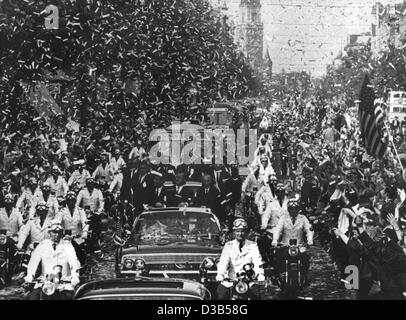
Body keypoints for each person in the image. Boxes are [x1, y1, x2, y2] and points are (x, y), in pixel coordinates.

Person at [23, 220, 80, 300]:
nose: (57, 235)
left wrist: (75, 277)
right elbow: (33, 262)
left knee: (69, 296)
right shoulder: (43, 245)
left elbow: (73, 262)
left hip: (63, 282)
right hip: (45, 282)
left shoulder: (67, 246)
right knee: (33, 297)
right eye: (54, 232)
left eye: (59, 232)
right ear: (49, 232)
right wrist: (30, 276)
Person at [216, 218, 265, 300]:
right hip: (231, 280)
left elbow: (257, 261)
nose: (240, 234)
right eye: (238, 231)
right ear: (234, 232)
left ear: (246, 232)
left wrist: (260, 274)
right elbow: (223, 261)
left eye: (242, 231)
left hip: (248, 280)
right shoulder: (228, 245)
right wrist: (220, 274)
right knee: (220, 293)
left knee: (257, 294)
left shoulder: (253, 245)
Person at [272, 199, 313, 282]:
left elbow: (309, 229)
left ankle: (304, 276)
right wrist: (275, 240)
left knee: (305, 260)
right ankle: (278, 277)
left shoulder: (303, 218)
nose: (293, 211)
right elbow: (278, 229)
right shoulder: (283, 218)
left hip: (299, 246)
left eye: (295, 209)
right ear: (288, 209)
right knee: (277, 258)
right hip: (285, 245)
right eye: (291, 209)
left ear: (298, 209)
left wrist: (310, 239)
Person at [56, 191, 89, 265]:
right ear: (66, 201)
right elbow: (57, 221)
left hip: (77, 238)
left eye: (72, 201)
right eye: (69, 201)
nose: (71, 203)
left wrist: (85, 232)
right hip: (65, 238)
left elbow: (85, 221)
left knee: (81, 254)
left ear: (75, 201)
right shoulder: (62, 211)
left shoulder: (80, 211)